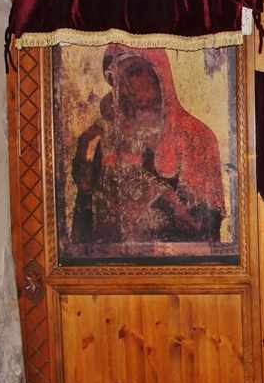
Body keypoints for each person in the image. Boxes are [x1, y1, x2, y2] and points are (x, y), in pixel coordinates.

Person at [69, 45, 224, 245]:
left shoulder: (196, 136)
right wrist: (85, 177)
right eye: (116, 79)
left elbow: (206, 228)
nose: (125, 85)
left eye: (134, 72)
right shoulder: (106, 139)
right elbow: (86, 223)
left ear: (158, 72)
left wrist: (161, 199)